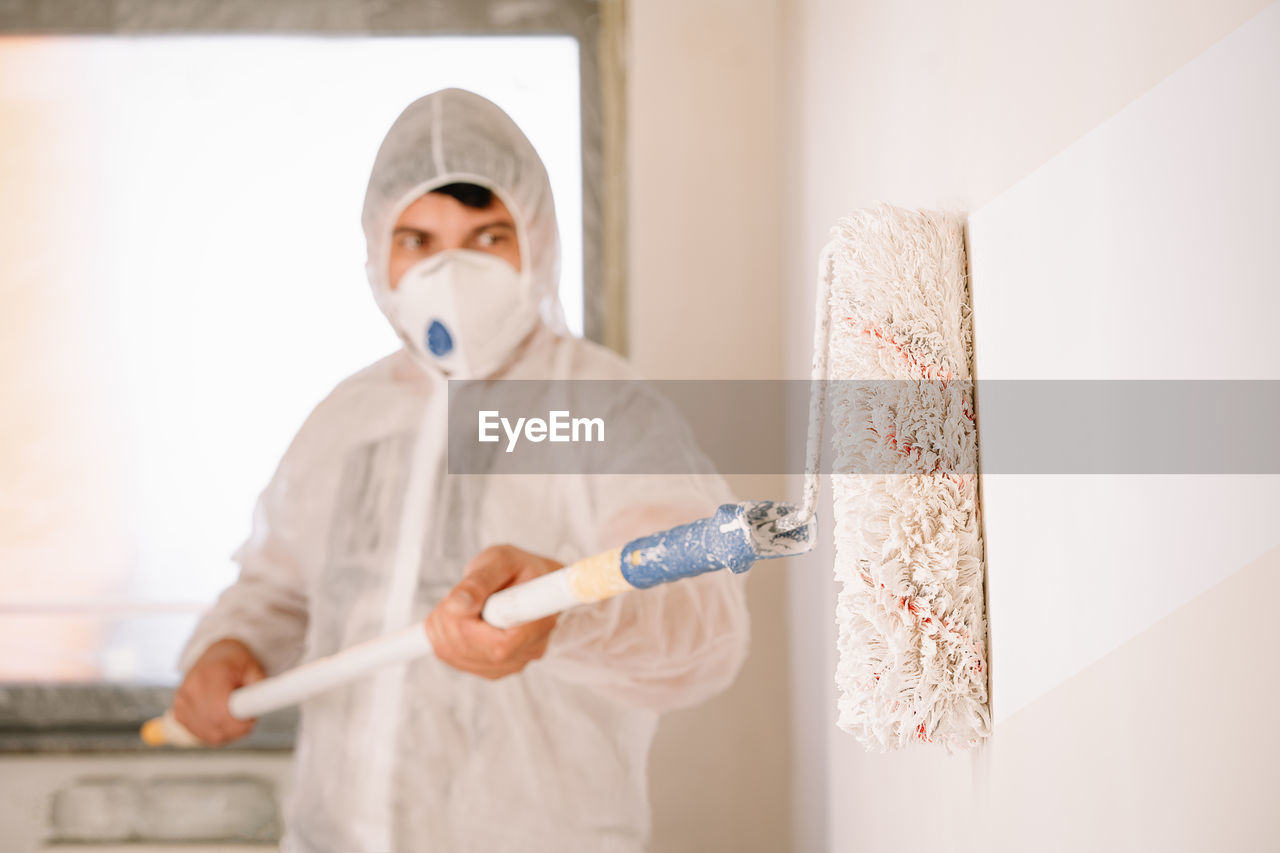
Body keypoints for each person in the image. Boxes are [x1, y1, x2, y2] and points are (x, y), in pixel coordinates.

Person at [173, 88, 750, 852]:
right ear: (378, 252)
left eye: (486, 237)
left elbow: (701, 621)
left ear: (536, 243)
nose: (450, 271)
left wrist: (561, 608)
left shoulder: (606, 406)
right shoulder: (345, 417)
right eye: (418, 240)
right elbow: (276, 591)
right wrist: (223, 652)